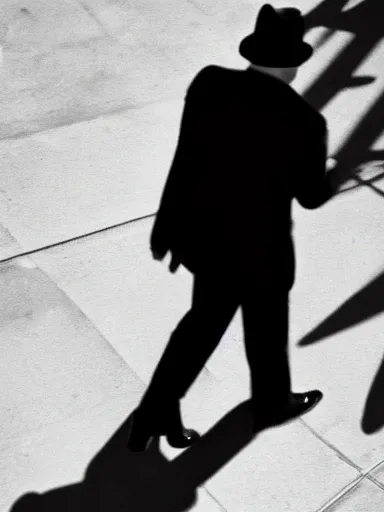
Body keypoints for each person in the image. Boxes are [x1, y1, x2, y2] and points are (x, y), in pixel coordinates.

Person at [127, 4, 338, 452]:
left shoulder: (210, 84)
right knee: (266, 330)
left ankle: (155, 410)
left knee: (201, 324)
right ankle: (271, 402)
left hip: (207, 240)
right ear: (296, 63)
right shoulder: (306, 122)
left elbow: (185, 159)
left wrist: (166, 228)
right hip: (262, 253)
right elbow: (311, 196)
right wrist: (336, 174)